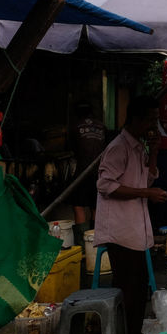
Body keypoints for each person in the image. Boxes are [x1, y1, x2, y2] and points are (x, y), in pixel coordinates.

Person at [94, 95, 167, 334]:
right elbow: (105, 185)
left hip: (135, 228)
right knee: (130, 290)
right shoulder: (118, 148)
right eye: (150, 119)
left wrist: (155, 150)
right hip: (120, 230)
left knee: (138, 289)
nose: (153, 125)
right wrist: (147, 194)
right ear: (136, 119)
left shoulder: (138, 146)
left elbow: (146, 177)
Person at [70, 102, 107, 244]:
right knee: (95, 207)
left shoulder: (75, 127)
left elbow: (73, 149)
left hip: (82, 171)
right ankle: (94, 242)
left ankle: (81, 244)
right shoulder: (102, 126)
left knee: (78, 206)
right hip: (99, 172)